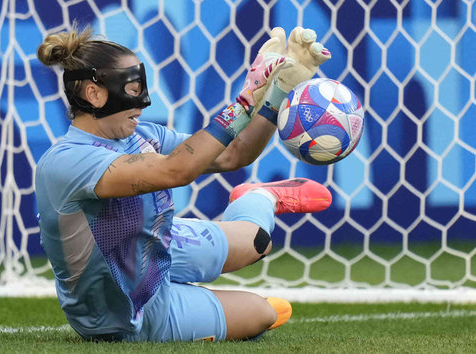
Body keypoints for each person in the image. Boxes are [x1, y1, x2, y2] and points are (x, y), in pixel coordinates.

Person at [35, 23, 333, 342]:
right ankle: (201, 303)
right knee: (263, 313)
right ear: (94, 94)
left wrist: (280, 90)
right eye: (131, 89)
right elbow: (176, 172)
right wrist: (245, 101)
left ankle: (259, 197)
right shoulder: (68, 161)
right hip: (128, 313)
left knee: (258, 241)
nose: (142, 103)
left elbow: (234, 153)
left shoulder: (143, 135)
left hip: (158, 245)